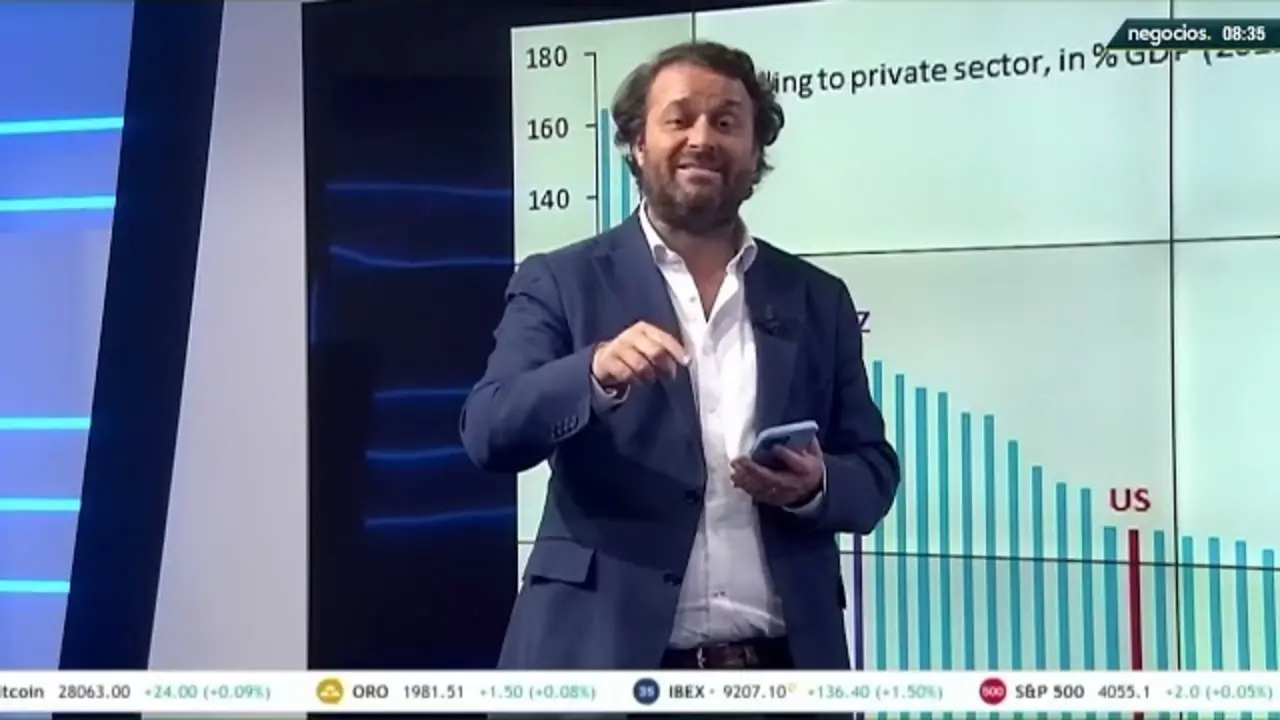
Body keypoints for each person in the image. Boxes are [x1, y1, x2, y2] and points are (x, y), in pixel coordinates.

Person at [461, 39, 900, 696]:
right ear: (638, 144)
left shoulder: (816, 298)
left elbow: (872, 473)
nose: (703, 138)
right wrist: (593, 373)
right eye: (679, 119)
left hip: (781, 678)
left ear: (755, 151)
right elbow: (488, 431)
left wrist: (815, 485)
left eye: (726, 122)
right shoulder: (561, 280)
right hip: (602, 673)